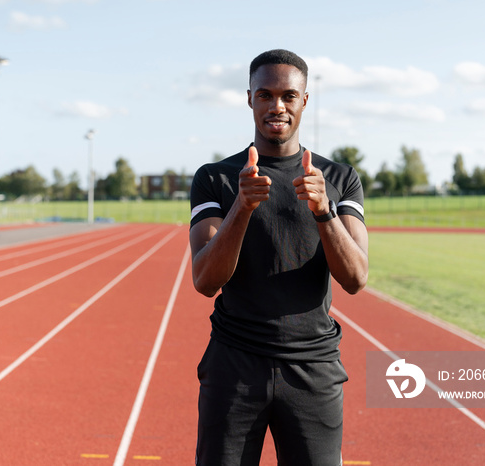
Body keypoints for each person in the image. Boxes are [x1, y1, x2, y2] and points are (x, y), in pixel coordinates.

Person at [189, 49, 369, 466]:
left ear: (304, 101)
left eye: (289, 96)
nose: (277, 106)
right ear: (249, 98)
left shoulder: (338, 179)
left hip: (313, 368)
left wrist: (324, 209)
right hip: (234, 366)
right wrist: (242, 207)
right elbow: (205, 280)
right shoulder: (215, 178)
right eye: (265, 95)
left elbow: (356, 278)